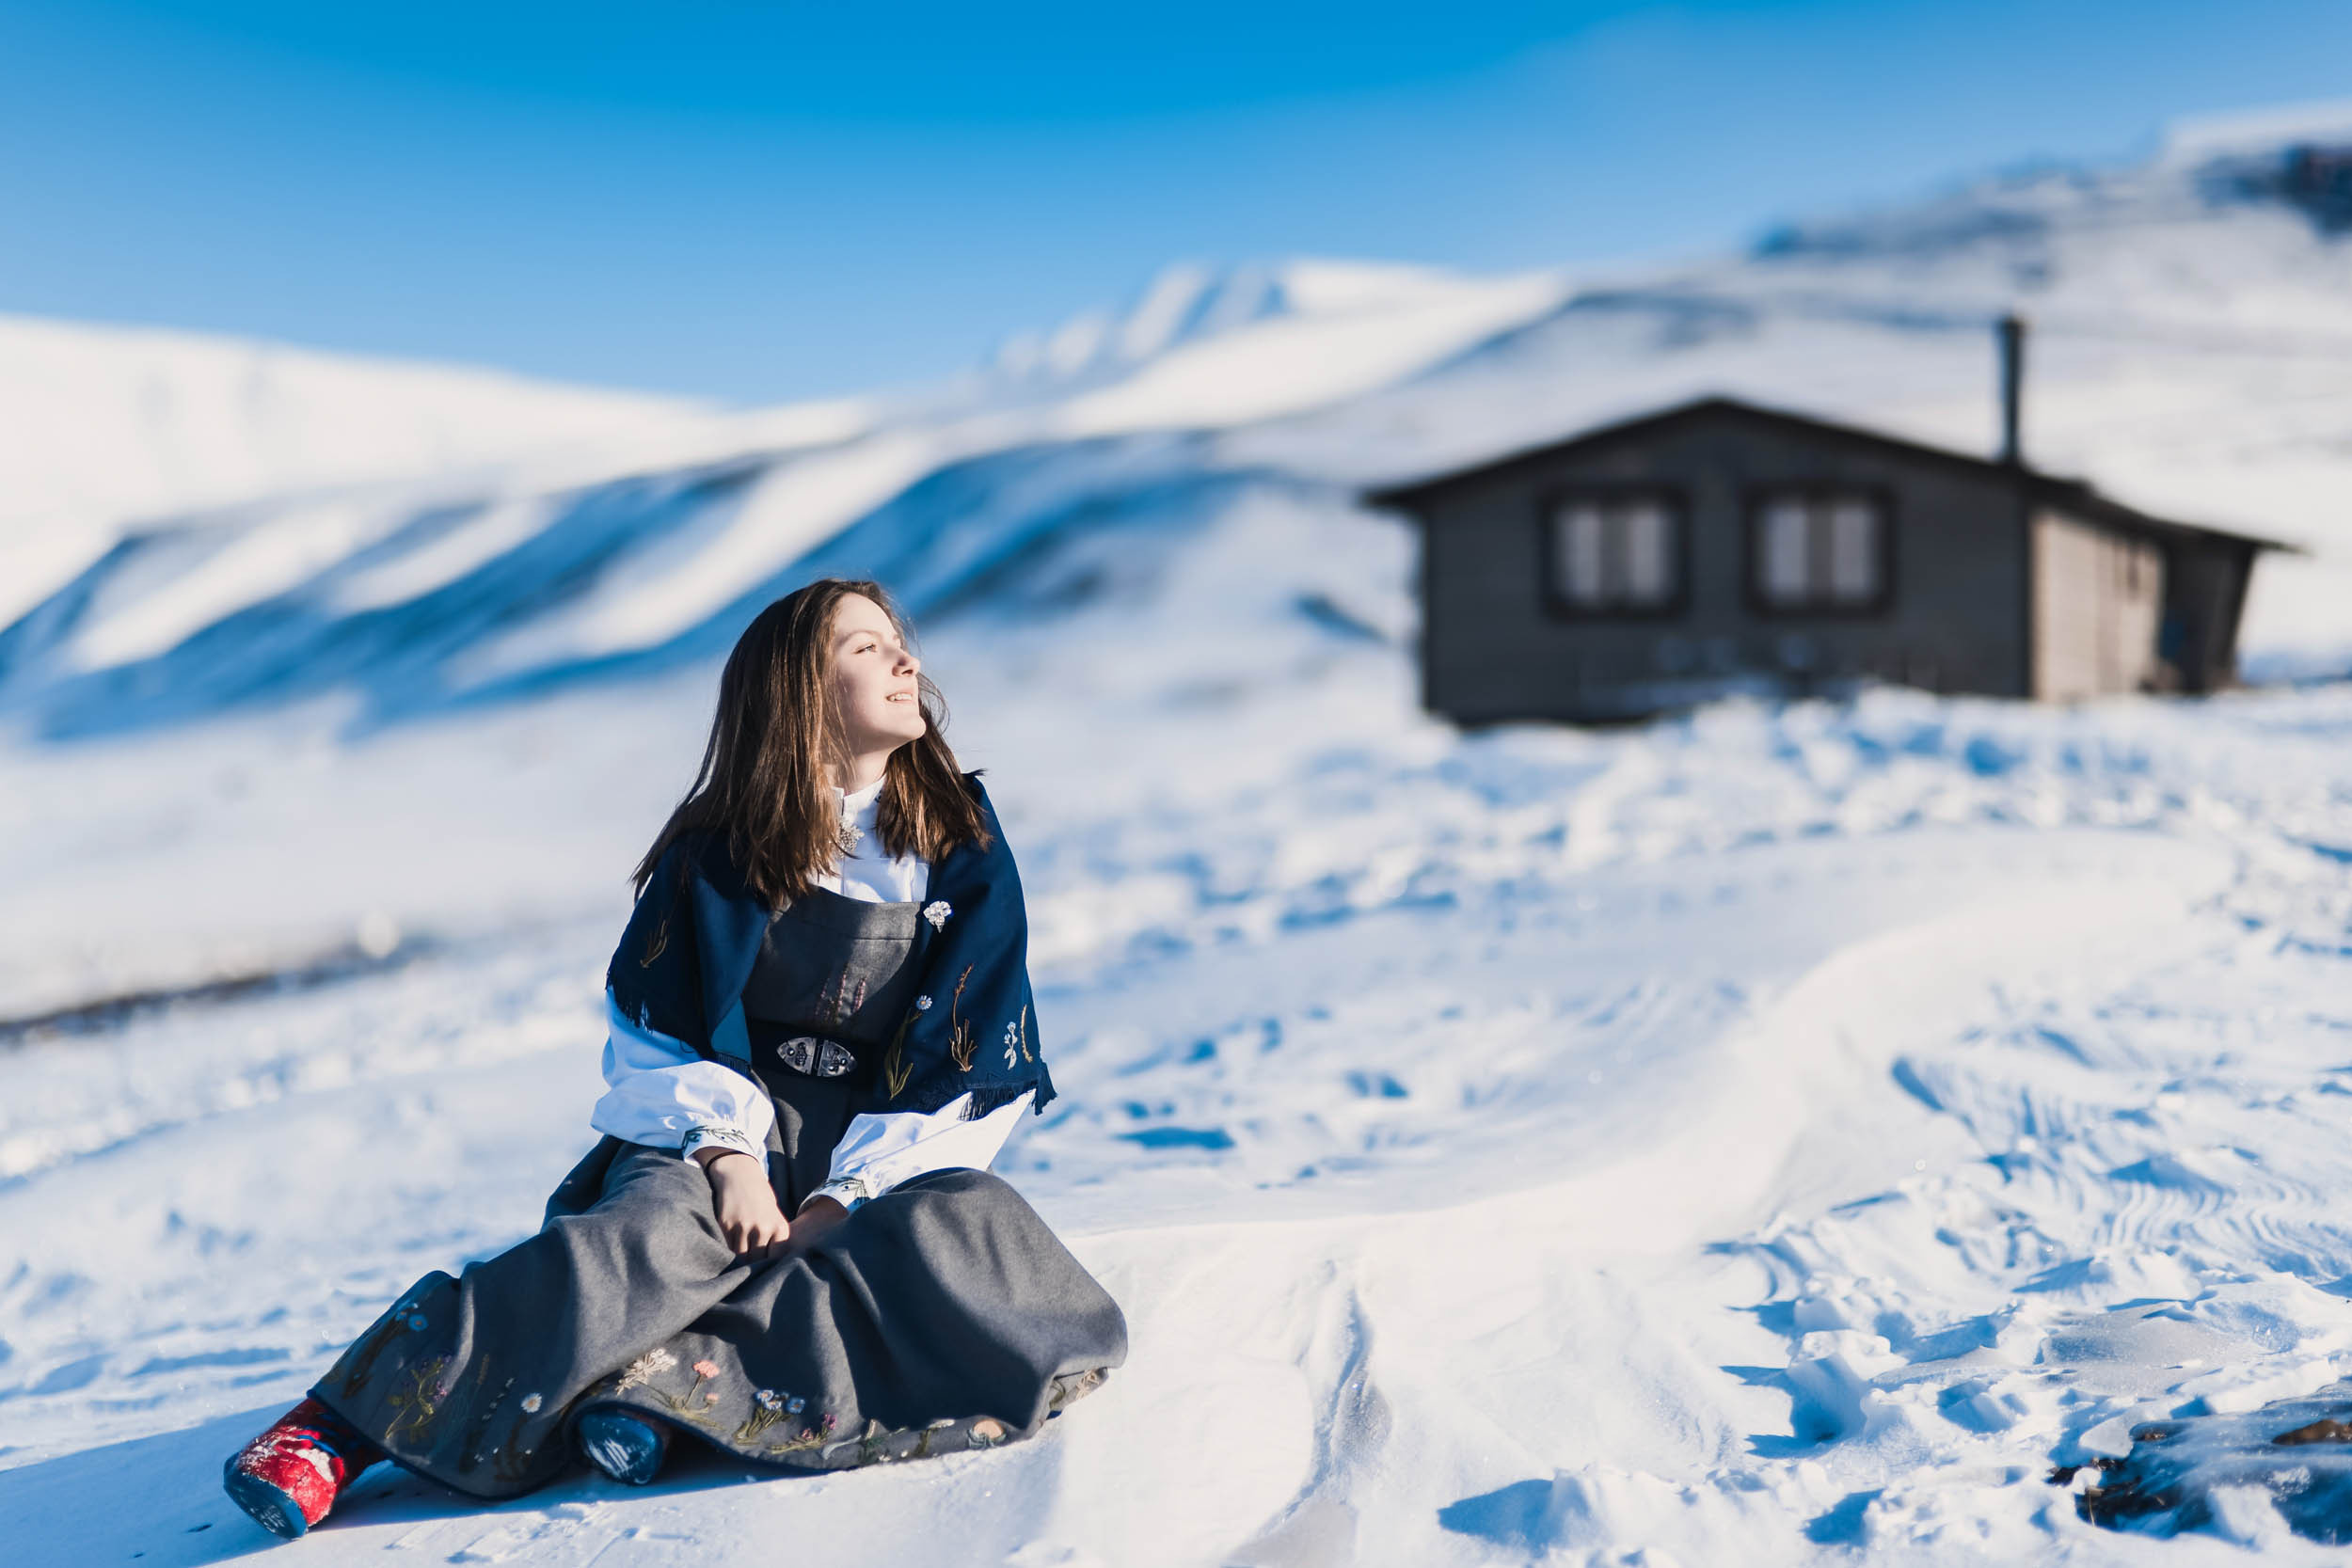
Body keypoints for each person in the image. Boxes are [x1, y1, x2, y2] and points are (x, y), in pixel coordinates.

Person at [221, 579, 1127, 1540]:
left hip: (880, 1147)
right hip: (720, 1132)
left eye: (899, 642)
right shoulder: (717, 854)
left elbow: (973, 1053)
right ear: (796, 693)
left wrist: (845, 1195)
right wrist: (727, 1154)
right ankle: (349, 1419)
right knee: (650, 1236)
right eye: (865, 648)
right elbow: (655, 1025)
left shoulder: (962, 846)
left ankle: (669, 1388)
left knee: (969, 1243)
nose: (905, 659)